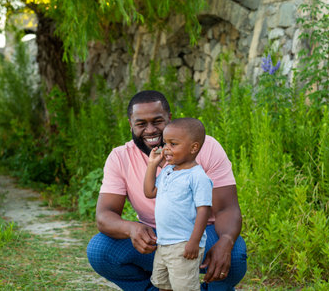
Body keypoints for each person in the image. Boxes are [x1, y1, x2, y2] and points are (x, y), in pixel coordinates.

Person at [87, 90, 247, 290]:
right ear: (130, 124)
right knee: (100, 250)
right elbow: (104, 215)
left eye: (157, 121)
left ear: (169, 119)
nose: (151, 130)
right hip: (156, 238)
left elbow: (227, 208)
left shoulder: (205, 147)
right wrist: (131, 228)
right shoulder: (120, 157)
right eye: (141, 123)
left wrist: (226, 240)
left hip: (202, 234)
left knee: (235, 254)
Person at [144, 118, 212, 291]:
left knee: (184, 287)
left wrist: (194, 242)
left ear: (193, 147)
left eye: (173, 144)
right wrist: (152, 165)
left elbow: (204, 210)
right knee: (163, 285)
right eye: (165, 143)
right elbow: (149, 192)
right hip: (164, 242)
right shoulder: (168, 170)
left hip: (184, 243)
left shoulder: (197, 177)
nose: (166, 148)